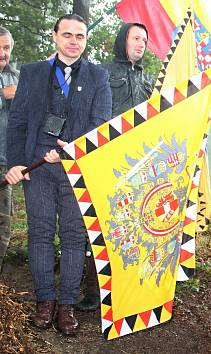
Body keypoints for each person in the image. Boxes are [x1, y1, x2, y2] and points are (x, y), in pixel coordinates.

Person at [5, 14, 112, 335]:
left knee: (74, 237)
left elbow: (101, 124)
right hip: (37, 169)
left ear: (85, 40)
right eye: (67, 34)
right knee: (39, 234)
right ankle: (45, 302)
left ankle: (66, 306)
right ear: (55, 36)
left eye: (80, 36)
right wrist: (15, 163)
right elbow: (19, 121)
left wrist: (72, 147)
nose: (73, 41)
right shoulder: (32, 73)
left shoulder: (98, 76)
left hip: (77, 170)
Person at [75, 22, 153, 312]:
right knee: (97, 225)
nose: (140, 44)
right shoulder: (102, 73)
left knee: (131, 226)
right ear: (123, 40)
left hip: (139, 166)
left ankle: (126, 289)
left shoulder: (148, 80)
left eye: (144, 39)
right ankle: (94, 290)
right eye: (135, 38)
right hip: (107, 162)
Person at [0, 26, 19, 272]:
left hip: (6, 164)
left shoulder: (15, 78)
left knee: (3, 228)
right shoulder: (8, 87)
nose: (2, 53)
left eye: (6, 48)